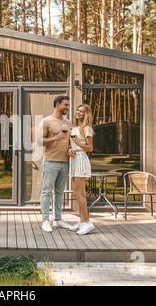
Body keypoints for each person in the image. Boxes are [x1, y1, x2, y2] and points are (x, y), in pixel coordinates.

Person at [37, 95, 73, 233]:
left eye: (68, 105)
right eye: (65, 105)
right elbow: (40, 141)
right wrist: (55, 138)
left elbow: (71, 142)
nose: (67, 108)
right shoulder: (46, 121)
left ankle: (57, 220)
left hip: (65, 163)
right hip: (50, 162)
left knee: (59, 192)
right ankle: (45, 220)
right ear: (57, 105)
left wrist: (70, 148)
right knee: (46, 191)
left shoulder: (69, 123)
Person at [68, 103, 95, 235]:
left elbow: (90, 148)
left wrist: (78, 143)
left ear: (86, 114)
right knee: (78, 193)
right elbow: (72, 145)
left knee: (79, 194)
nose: (78, 112)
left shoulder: (87, 129)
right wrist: (69, 150)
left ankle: (87, 223)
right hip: (74, 159)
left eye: (81, 111)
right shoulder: (74, 128)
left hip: (81, 160)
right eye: (77, 110)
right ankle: (82, 220)